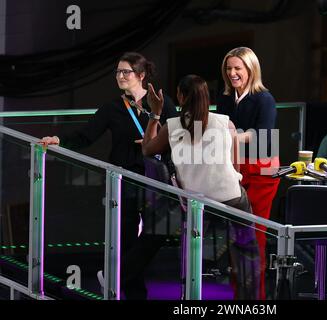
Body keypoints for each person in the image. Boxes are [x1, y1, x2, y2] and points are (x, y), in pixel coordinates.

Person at [40, 52, 178, 299]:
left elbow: (178, 138)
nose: (120, 76)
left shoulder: (161, 102)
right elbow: (86, 135)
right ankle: (134, 294)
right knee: (124, 238)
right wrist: (59, 140)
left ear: (141, 75)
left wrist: (153, 143)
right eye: (118, 72)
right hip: (123, 179)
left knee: (157, 232)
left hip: (153, 178)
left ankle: (117, 277)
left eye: (126, 72)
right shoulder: (112, 108)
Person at [142, 74, 261, 300]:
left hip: (197, 205)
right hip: (232, 200)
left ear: (181, 96)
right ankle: (249, 302)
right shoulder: (227, 123)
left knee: (194, 251)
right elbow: (236, 168)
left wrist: (154, 114)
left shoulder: (172, 126)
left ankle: (190, 295)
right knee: (246, 254)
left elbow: (147, 149)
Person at [216, 47, 280, 300]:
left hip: (261, 174)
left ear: (251, 70)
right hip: (235, 170)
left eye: (237, 68)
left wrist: (233, 136)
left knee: (254, 240)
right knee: (236, 238)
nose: (232, 73)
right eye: (229, 68)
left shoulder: (265, 99)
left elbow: (264, 141)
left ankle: (256, 300)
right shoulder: (224, 98)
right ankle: (238, 297)